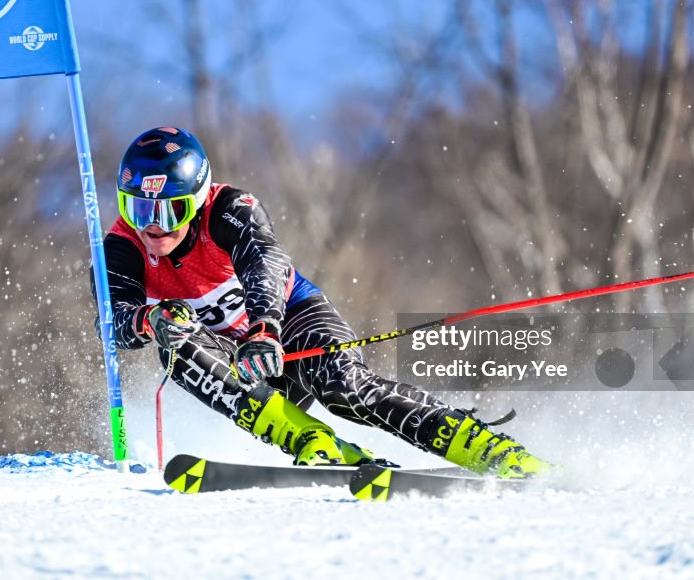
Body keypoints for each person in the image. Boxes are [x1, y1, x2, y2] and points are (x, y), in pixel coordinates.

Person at [96, 126, 550, 477]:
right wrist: (149, 320)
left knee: (347, 391)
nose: (152, 227)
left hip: (288, 321)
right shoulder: (121, 246)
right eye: (138, 209)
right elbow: (115, 323)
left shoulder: (231, 209)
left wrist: (264, 329)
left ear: (196, 201)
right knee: (173, 346)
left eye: (168, 211)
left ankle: (488, 449)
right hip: (239, 368)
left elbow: (264, 265)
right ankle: (317, 444)